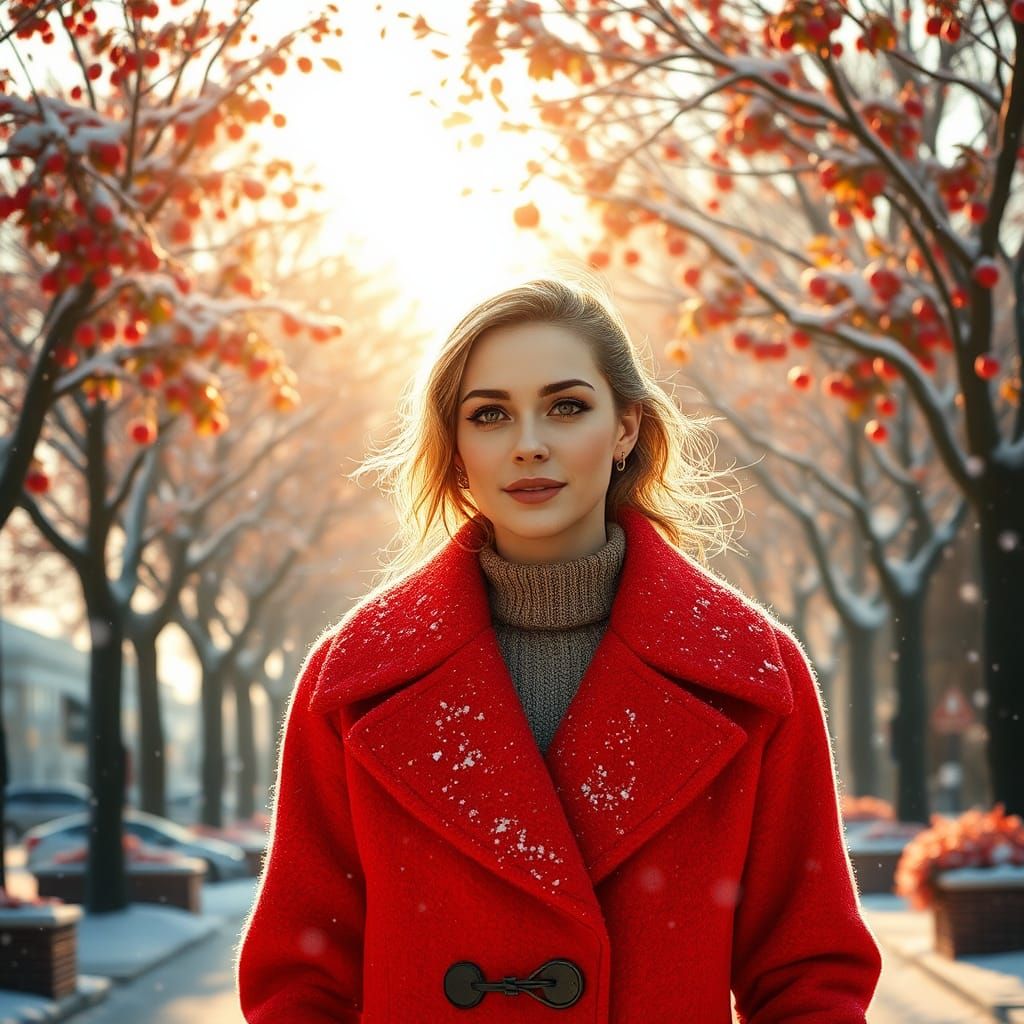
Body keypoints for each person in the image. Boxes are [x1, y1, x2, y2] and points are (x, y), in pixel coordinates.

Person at [235, 275, 883, 1022]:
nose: (529, 445)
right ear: (456, 448)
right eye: (489, 414)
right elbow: (299, 981)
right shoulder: (352, 681)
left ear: (626, 428)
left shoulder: (752, 672)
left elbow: (807, 976)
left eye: (566, 406)